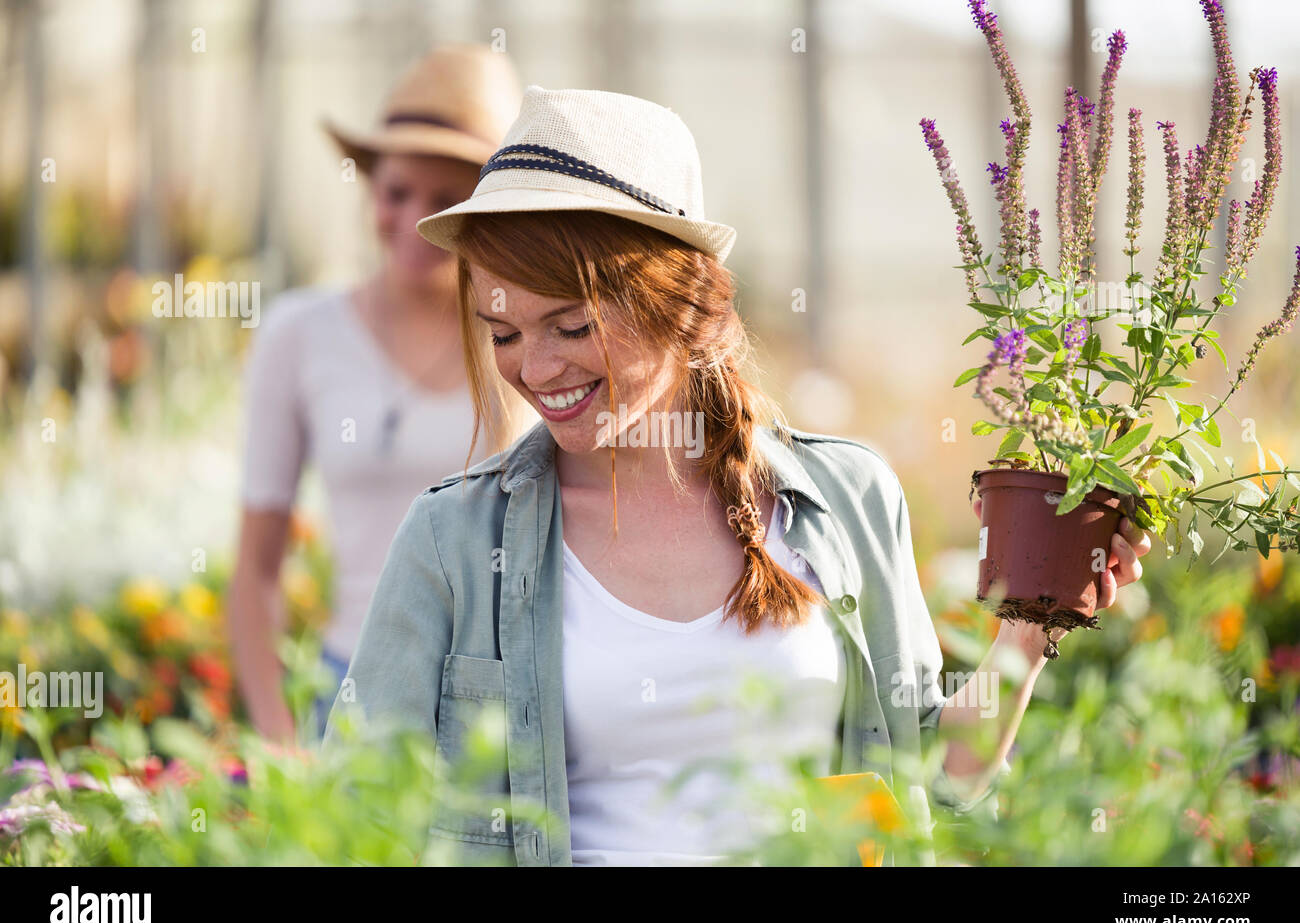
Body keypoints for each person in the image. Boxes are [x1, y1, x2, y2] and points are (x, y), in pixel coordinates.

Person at [324, 85, 1151, 865]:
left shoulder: (849, 501)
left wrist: (1027, 634)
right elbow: (356, 816)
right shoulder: (456, 543)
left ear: (687, 303)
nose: (534, 369)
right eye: (501, 335)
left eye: (569, 325)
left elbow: (934, 779)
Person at [228, 45, 529, 745]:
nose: (415, 220)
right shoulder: (299, 334)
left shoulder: (526, 340)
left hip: (506, 700)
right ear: (368, 187)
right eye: (397, 192)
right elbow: (256, 570)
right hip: (353, 691)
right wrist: (279, 742)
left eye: (446, 200)